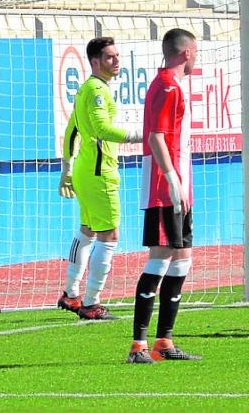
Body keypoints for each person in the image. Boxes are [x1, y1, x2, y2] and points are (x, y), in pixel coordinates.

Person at [127, 29, 201, 364]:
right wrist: (171, 179)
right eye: (195, 51)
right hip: (163, 186)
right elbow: (155, 137)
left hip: (179, 186)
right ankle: (138, 346)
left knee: (182, 258)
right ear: (187, 53)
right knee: (160, 257)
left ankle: (164, 342)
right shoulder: (167, 86)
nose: (196, 57)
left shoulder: (173, 86)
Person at [57, 37, 142, 320]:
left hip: (84, 170)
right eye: (109, 57)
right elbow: (102, 129)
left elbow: (71, 131)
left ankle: (71, 295)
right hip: (99, 172)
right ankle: (91, 304)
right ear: (95, 62)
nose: (116, 61)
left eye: (117, 56)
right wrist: (142, 135)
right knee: (109, 235)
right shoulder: (96, 90)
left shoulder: (86, 89)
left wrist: (67, 169)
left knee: (87, 231)